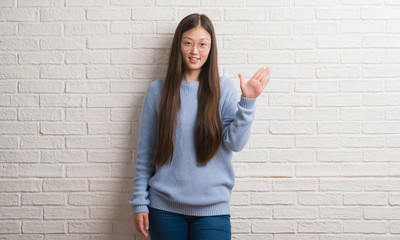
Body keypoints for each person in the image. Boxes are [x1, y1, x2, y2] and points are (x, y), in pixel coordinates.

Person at [129, 13, 270, 240]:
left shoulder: (224, 88)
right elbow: (146, 153)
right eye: (188, 43)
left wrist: (248, 102)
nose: (195, 51)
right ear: (179, 46)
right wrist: (139, 202)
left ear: (211, 48)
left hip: (213, 209)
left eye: (203, 44)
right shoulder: (157, 92)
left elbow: (235, 143)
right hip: (163, 208)